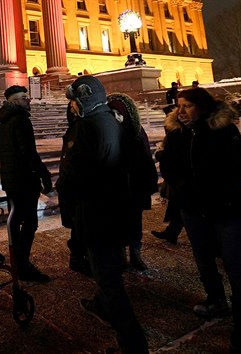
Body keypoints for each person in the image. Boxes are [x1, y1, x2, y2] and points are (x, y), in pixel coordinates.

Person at [65, 76, 148, 353]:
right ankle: (102, 308)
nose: (72, 107)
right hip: (115, 211)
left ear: (83, 99)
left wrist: (66, 184)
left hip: (98, 215)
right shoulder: (113, 121)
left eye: (74, 101)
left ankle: (134, 344)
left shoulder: (88, 127)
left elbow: (79, 173)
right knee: (110, 275)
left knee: (110, 282)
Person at [169, 88, 241, 352]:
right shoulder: (177, 133)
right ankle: (215, 299)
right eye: (179, 105)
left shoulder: (223, 130)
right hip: (194, 209)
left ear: (203, 107)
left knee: (235, 264)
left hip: (228, 209)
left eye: (188, 106)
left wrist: (209, 188)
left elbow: (239, 168)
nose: (181, 111)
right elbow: (170, 168)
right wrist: (181, 185)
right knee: (203, 257)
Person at [0, 85, 52, 283]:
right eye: (23, 97)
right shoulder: (20, 120)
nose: (27, 100)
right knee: (30, 222)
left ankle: (18, 261)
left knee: (17, 219)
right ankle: (22, 265)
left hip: (11, 180)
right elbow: (28, 153)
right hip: (23, 180)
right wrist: (44, 175)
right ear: (13, 101)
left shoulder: (5, 120)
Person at [107, 93, 158, 271]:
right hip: (116, 188)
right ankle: (121, 257)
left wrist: (147, 183)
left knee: (135, 223)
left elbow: (145, 159)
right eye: (111, 112)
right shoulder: (108, 131)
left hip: (134, 187)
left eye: (118, 112)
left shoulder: (136, 132)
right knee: (118, 224)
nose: (115, 116)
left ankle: (136, 254)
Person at [57, 103, 91, 277]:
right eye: (70, 108)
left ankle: (80, 256)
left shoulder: (81, 127)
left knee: (80, 225)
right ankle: (78, 258)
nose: (72, 111)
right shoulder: (76, 129)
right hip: (75, 186)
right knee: (78, 225)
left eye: (74, 107)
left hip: (78, 185)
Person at [151, 105, 184, 244]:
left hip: (181, 179)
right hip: (178, 179)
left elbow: (173, 154)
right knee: (179, 208)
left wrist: (160, 154)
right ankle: (171, 232)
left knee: (182, 208)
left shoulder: (179, 131)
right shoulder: (176, 129)